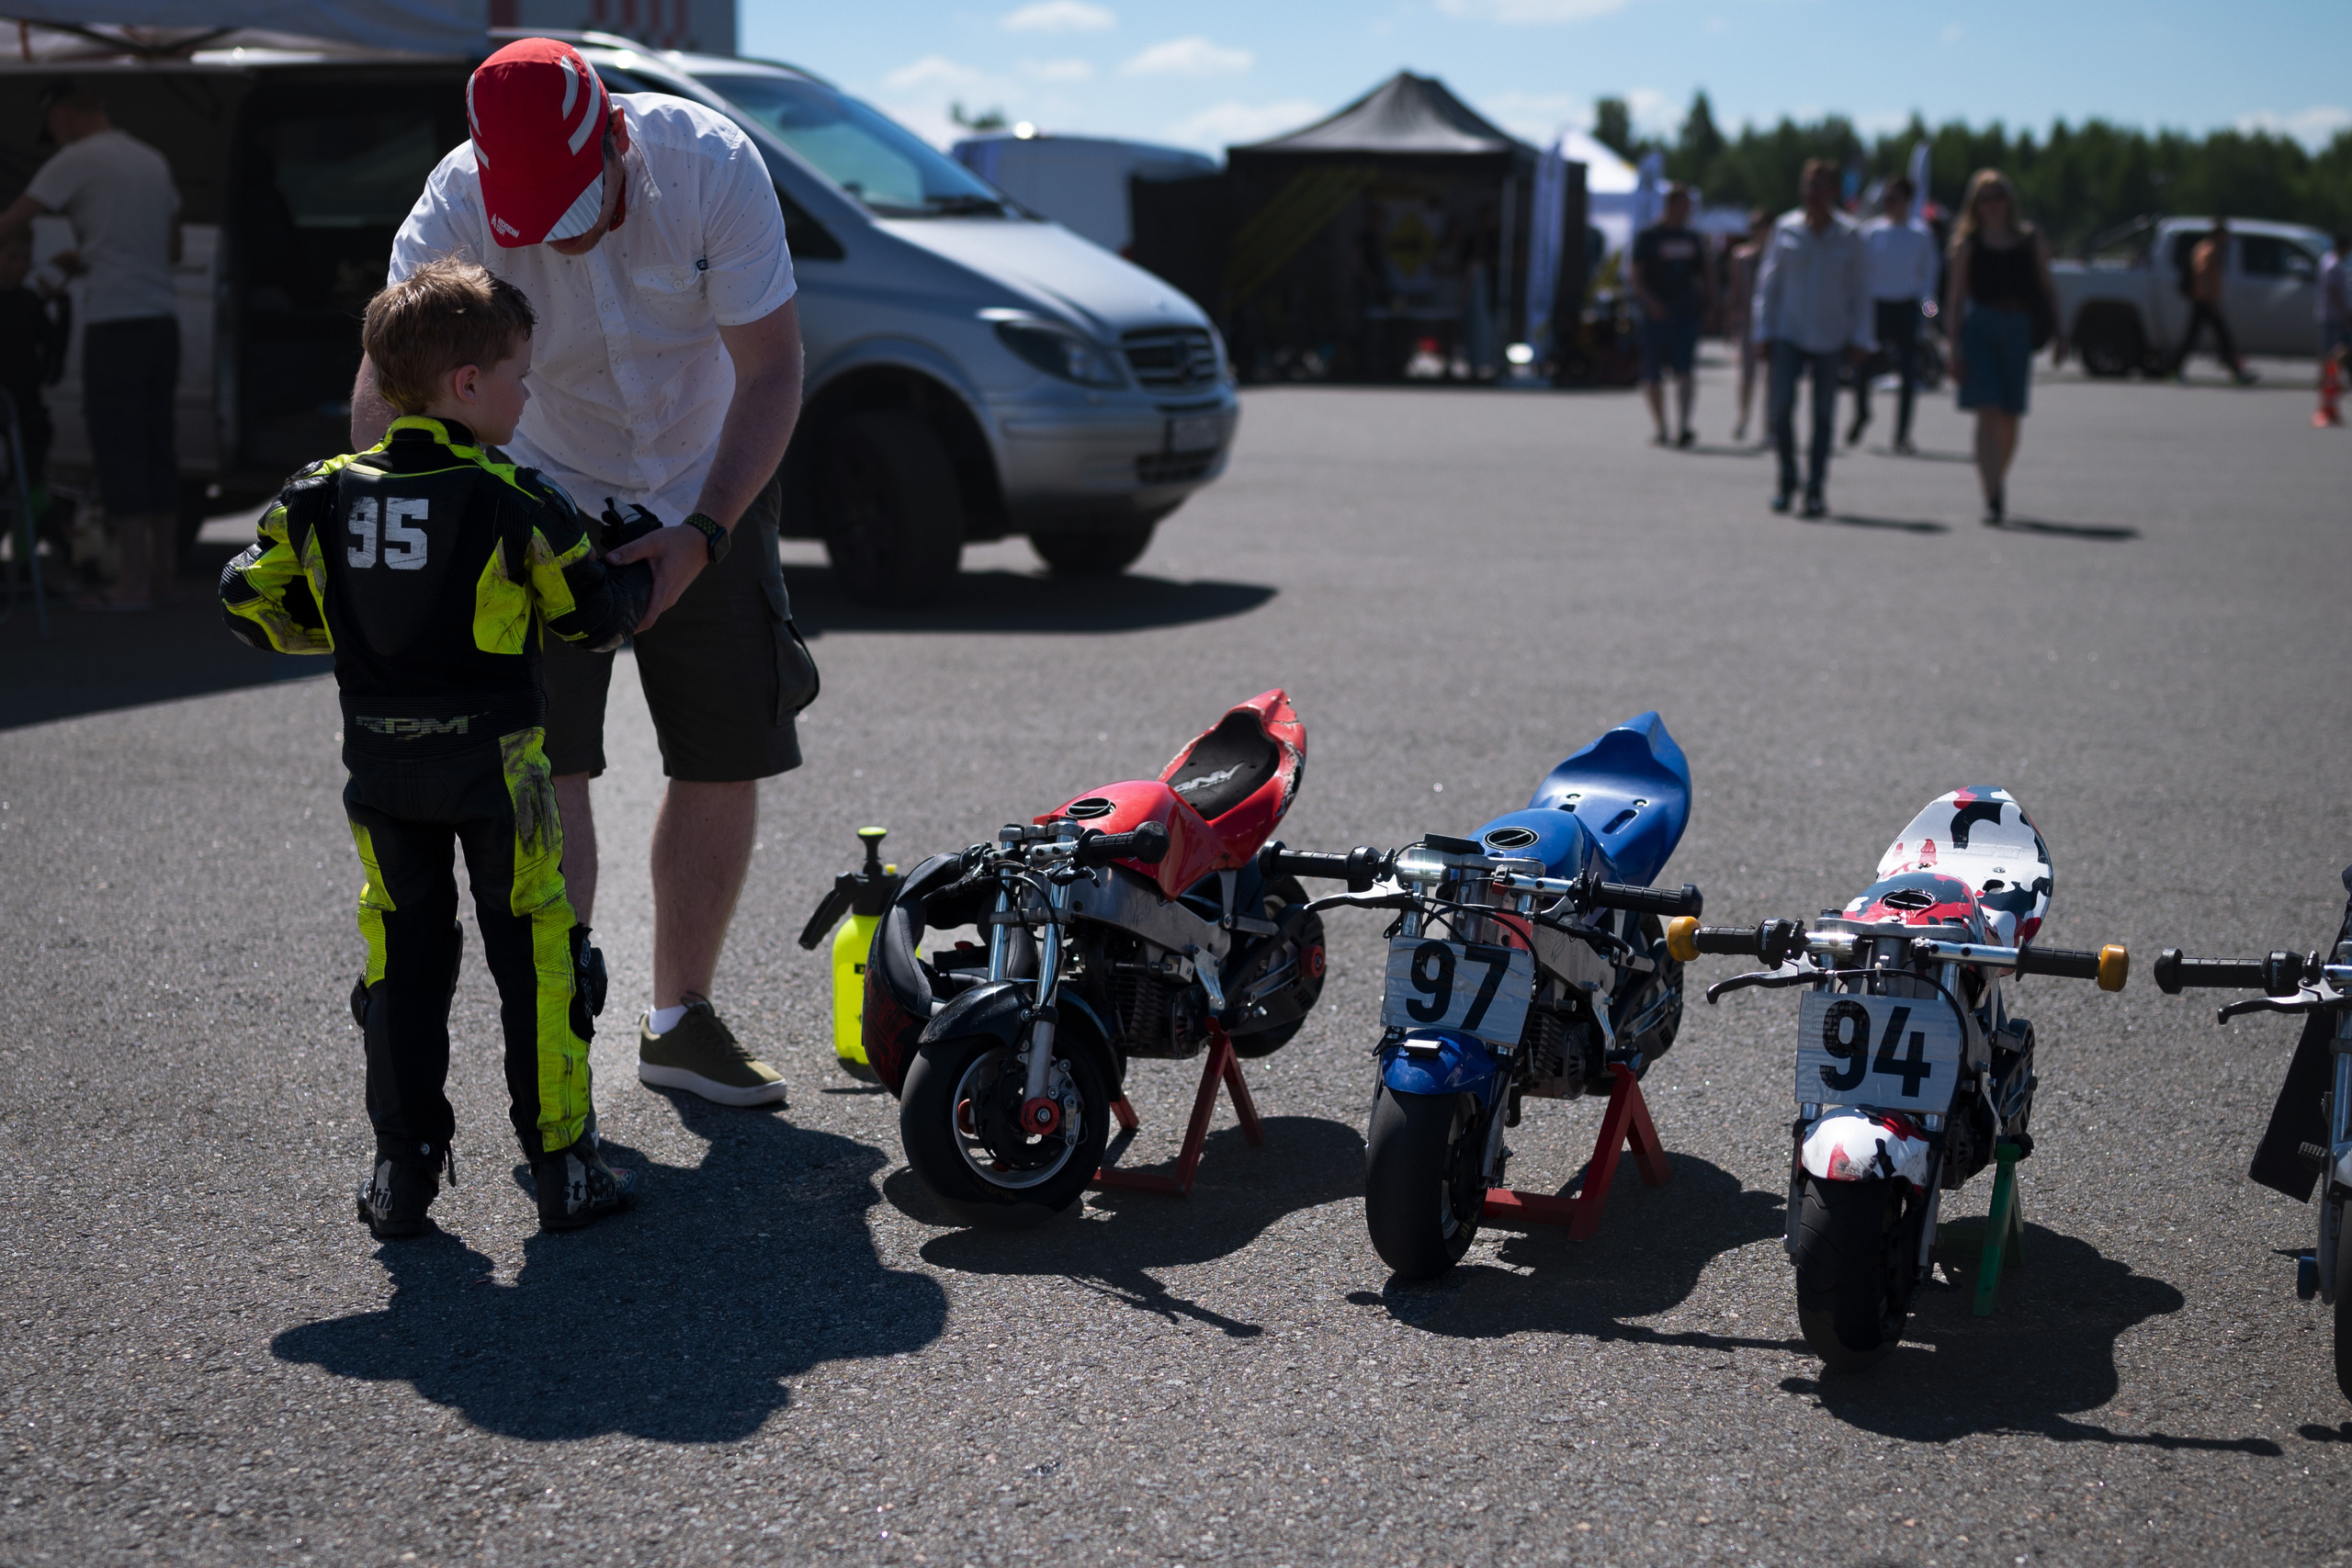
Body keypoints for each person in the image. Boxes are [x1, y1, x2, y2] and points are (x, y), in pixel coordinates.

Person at [356, 39, 808, 1111]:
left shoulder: (708, 163)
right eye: (532, 218)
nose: (555, 234)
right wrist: (393, 526)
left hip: (710, 473)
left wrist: (704, 528)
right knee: (547, 762)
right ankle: (557, 1022)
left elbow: (773, 366)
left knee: (722, 746)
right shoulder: (454, 204)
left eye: (577, 201)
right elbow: (389, 384)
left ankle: (679, 1020)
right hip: (534, 487)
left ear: (613, 136)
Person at [221, 259, 653, 1236]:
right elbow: (592, 619)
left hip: (380, 770)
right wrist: (635, 570)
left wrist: (346, 626)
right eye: (519, 374)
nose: (526, 391)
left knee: (401, 962)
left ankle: (402, 1171)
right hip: (499, 772)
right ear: (468, 385)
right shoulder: (517, 497)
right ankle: (563, 1166)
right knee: (542, 957)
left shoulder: (317, 495)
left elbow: (246, 600)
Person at [0, 80, 183, 610]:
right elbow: (168, 248)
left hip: (116, 322)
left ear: (60, 116)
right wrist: (90, 254)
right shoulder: (152, 161)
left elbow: (12, 224)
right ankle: (164, 576)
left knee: (118, 445)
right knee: (157, 444)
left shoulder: (76, 159)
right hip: (161, 320)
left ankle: (132, 585)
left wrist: (90, 258)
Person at [1751, 159, 1871, 516]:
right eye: (1809, 185)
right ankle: (1788, 477)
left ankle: (1816, 487)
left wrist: (1862, 336)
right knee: (1781, 407)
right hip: (1789, 332)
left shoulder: (1851, 236)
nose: (1814, 193)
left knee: (1823, 414)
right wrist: (1763, 330)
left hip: (1833, 335)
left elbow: (1861, 291)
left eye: (1822, 186)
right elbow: (1768, 285)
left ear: (1835, 191)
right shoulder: (1786, 229)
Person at [1851, 175, 1938, 453]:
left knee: (1908, 370)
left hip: (1906, 306)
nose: (1889, 203)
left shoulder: (1920, 234)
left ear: (1907, 201)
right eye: (1886, 198)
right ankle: (1862, 412)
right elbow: (1860, 273)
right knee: (1862, 365)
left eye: (1894, 198)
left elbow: (1928, 278)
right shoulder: (1872, 232)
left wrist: (1928, 311)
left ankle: (1901, 433)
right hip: (1876, 306)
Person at [0, 225, 70, 525]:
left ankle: (26, 558)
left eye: (26, 257)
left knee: (30, 488)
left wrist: (62, 304)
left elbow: (54, 349)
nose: (23, 265)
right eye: (13, 257)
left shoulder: (30, 302)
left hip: (26, 407)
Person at [1632, 183, 1711, 446]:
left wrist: (1711, 305)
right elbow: (1637, 274)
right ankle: (1661, 427)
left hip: (1685, 313)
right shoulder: (1649, 236)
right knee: (1652, 373)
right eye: (1683, 205)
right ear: (1671, 205)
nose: (1687, 211)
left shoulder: (1692, 238)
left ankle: (1684, 425)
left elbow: (1705, 273)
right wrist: (1649, 302)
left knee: (1685, 370)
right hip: (1656, 314)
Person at [2171, 216, 2254, 384]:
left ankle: (2235, 370)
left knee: (2207, 336)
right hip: (2205, 301)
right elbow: (2202, 274)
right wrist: (2210, 298)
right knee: (2218, 336)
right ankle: (2236, 371)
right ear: (2218, 235)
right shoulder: (2209, 250)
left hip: (2204, 300)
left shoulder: (2205, 247)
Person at [1724, 208, 1770, 442]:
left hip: (1771, 319)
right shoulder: (1740, 255)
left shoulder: (1776, 256)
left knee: (1771, 376)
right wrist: (1731, 322)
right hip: (1748, 319)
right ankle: (1743, 416)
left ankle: (1769, 425)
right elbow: (1735, 291)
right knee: (1747, 373)